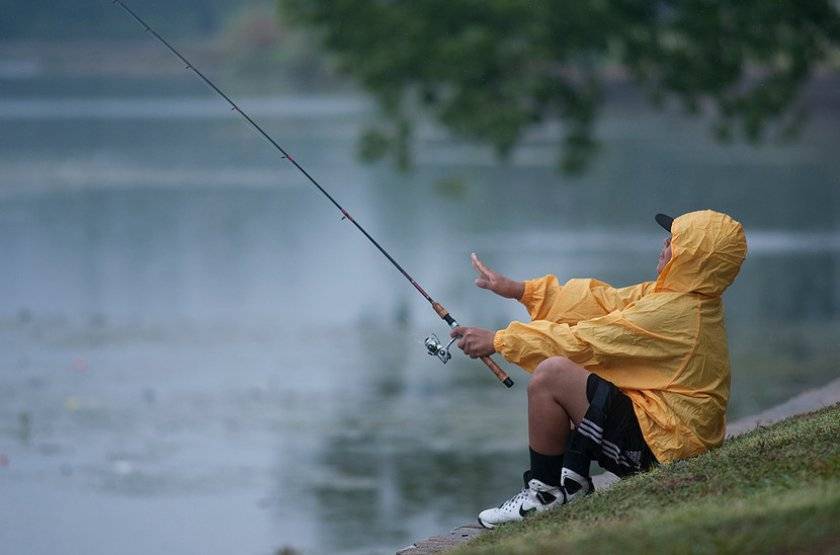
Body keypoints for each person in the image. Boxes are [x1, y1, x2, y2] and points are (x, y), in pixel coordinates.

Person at [450, 210, 747, 528]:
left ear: (694, 259)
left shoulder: (672, 313)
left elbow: (581, 342)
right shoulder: (683, 300)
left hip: (665, 448)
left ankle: (543, 495)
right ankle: (573, 482)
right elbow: (604, 302)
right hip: (675, 439)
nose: (664, 244)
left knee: (552, 374)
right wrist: (521, 290)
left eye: (675, 241)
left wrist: (499, 340)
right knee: (597, 367)